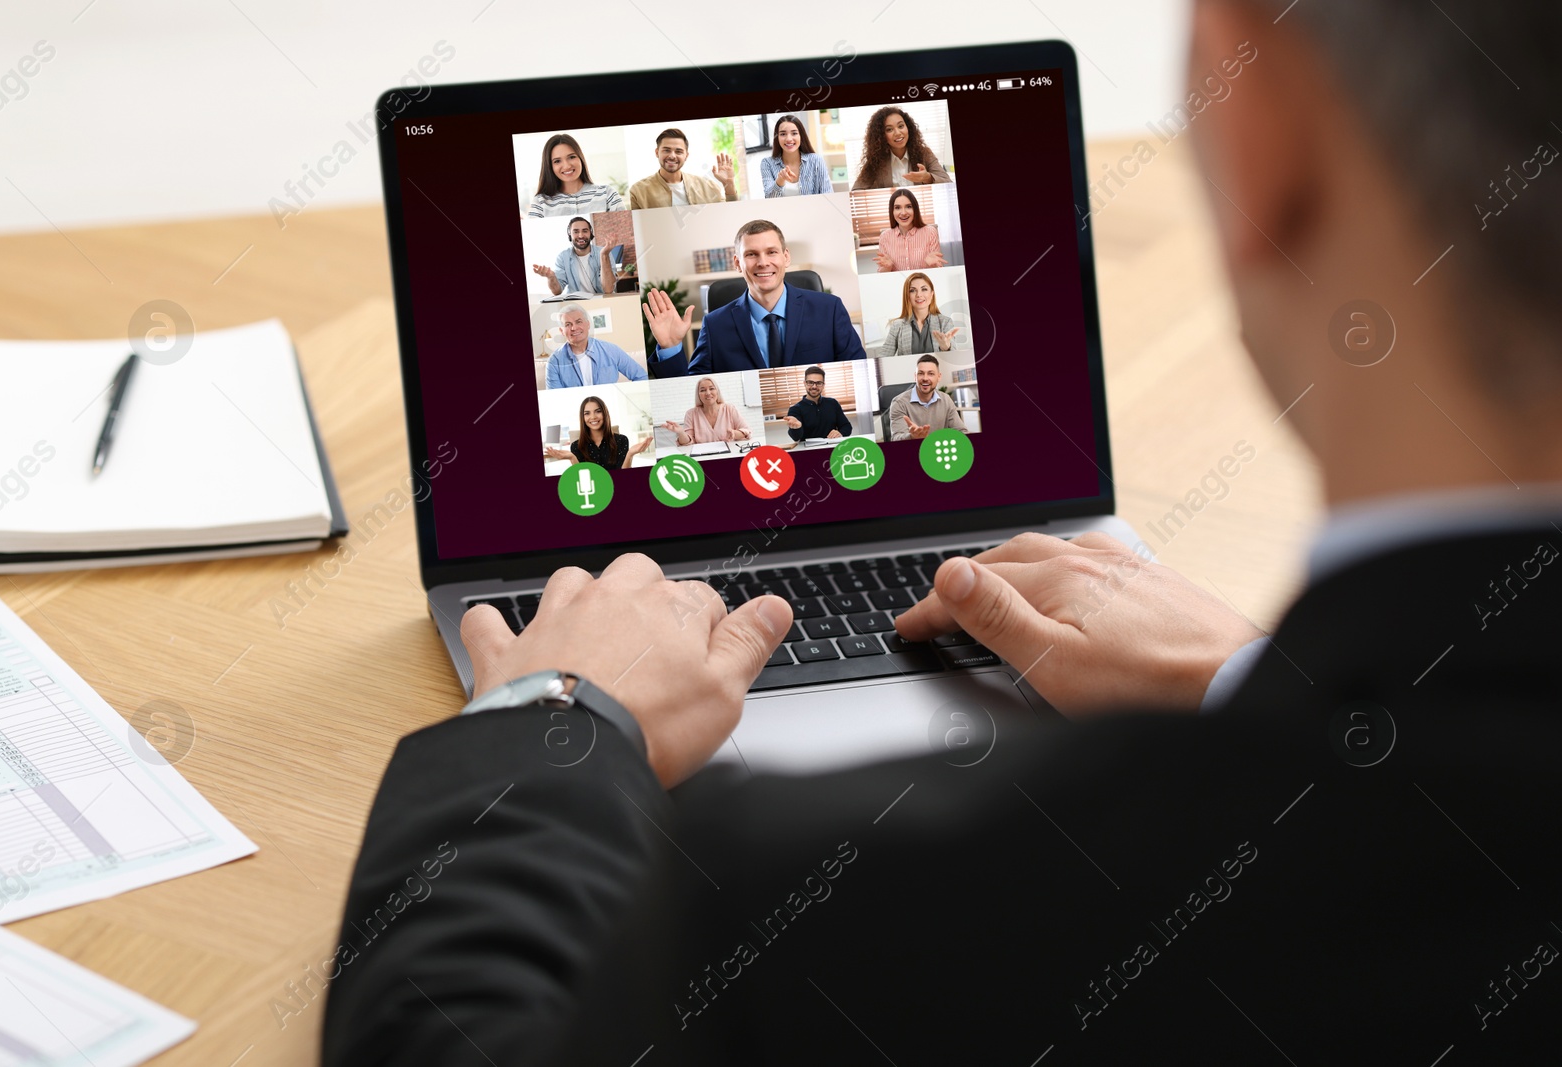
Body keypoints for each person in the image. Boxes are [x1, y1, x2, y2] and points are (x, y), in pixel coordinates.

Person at [326, 4, 1562, 1063]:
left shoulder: (832, 923)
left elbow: (455, 1037)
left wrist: (554, 710)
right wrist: (1264, 689)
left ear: (1259, 131)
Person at [643, 220, 867, 375]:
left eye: (771, 252)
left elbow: (859, 371)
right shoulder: (715, 326)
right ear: (737, 263)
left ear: (786, 257)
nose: (762, 262)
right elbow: (695, 394)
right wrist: (671, 348)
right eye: (751, 255)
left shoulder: (829, 309)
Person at [627, 128, 738, 209]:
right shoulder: (638, 191)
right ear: (657, 152)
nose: (672, 156)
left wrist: (729, 184)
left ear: (686, 156)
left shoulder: (708, 187)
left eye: (678, 151)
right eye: (666, 150)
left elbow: (729, 215)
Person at [543, 305, 646, 389]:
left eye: (578, 322)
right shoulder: (554, 362)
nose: (574, 328)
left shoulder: (611, 350)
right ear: (561, 331)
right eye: (568, 324)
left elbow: (641, 377)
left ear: (588, 324)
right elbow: (555, 398)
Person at [850, 105, 952, 190]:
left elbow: (948, 183)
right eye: (889, 129)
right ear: (881, 136)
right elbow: (856, 191)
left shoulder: (924, 153)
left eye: (901, 126)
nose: (898, 133)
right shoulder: (876, 160)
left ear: (908, 127)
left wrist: (928, 178)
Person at [526, 134, 624, 218]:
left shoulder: (607, 194)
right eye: (557, 161)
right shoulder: (540, 202)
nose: (567, 166)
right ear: (549, 166)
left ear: (580, 158)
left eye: (572, 157)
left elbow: (624, 232)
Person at [543, 394, 650, 469]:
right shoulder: (576, 446)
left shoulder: (621, 440)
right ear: (583, 418)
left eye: (598, 411)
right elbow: (581, 478)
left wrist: (630, 454)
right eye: (587, 413)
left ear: (605, 414)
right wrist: (572, 458)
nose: (593, 417)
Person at [531, 217, 622, 297]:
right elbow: (557, 292)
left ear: (591, 233)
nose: (581, 235)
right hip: (577, 304)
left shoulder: (604, 253)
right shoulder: (563, 257)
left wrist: (604, 255)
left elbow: (608, 289)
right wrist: (551, 277)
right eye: (576, 232)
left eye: (585, 231)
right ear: (570, 235)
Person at [878, 271, 963, 355]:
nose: (919, 295)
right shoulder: (897, 325)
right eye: (912, 290)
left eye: (924, 289)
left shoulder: (945, 322)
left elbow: (954, 357)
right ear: (907, 296)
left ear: (931, 294)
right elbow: (883, 356)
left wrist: (946, 348)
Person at [887, 353, 966, 441]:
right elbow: (896, 438)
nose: (925, 378)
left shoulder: (946, 399)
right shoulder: (899, 402)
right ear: (915, 376)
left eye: (931, 374)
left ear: (939, 377)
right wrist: (912, 437)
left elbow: (961, 431)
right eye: (920, 373)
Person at [662, 377, 751, 445]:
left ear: (717, 391)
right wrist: (680, 432)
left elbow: (747, 431)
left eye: (711, 388)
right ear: (698, 395)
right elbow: (687, 443)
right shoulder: (691, 414)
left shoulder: (730, 409)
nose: (708, 393)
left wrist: (734, 434)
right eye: (703, 390)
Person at [759, 115, 832, 197]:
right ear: (777, 138)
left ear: (801, 136)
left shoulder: (816, 160)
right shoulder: (767, 163)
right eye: (783, 134)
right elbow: (769, 200)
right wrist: (780, 181)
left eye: (794, 133)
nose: (789, 139)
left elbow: (828, 195)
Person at [874, 189, 946, 272]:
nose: (903, 212)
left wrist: (932, 265)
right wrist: (887, 267)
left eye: (908, 206)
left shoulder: (930, 232)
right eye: (897, 208)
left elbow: (938, 272)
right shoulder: (885, 236)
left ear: (915, 209)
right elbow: (882, 277)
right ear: (892, 211)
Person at [783, 364, 851, 441]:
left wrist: (840, 433)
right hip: (809, 451)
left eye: (818, 383)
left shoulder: (833, 403)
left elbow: (847, 426)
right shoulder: (795, 409)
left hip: (832, 447)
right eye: (810, 382)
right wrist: (796, 427)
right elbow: (796, 437)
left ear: (823, 385)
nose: (814, 386)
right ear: (805, 383)